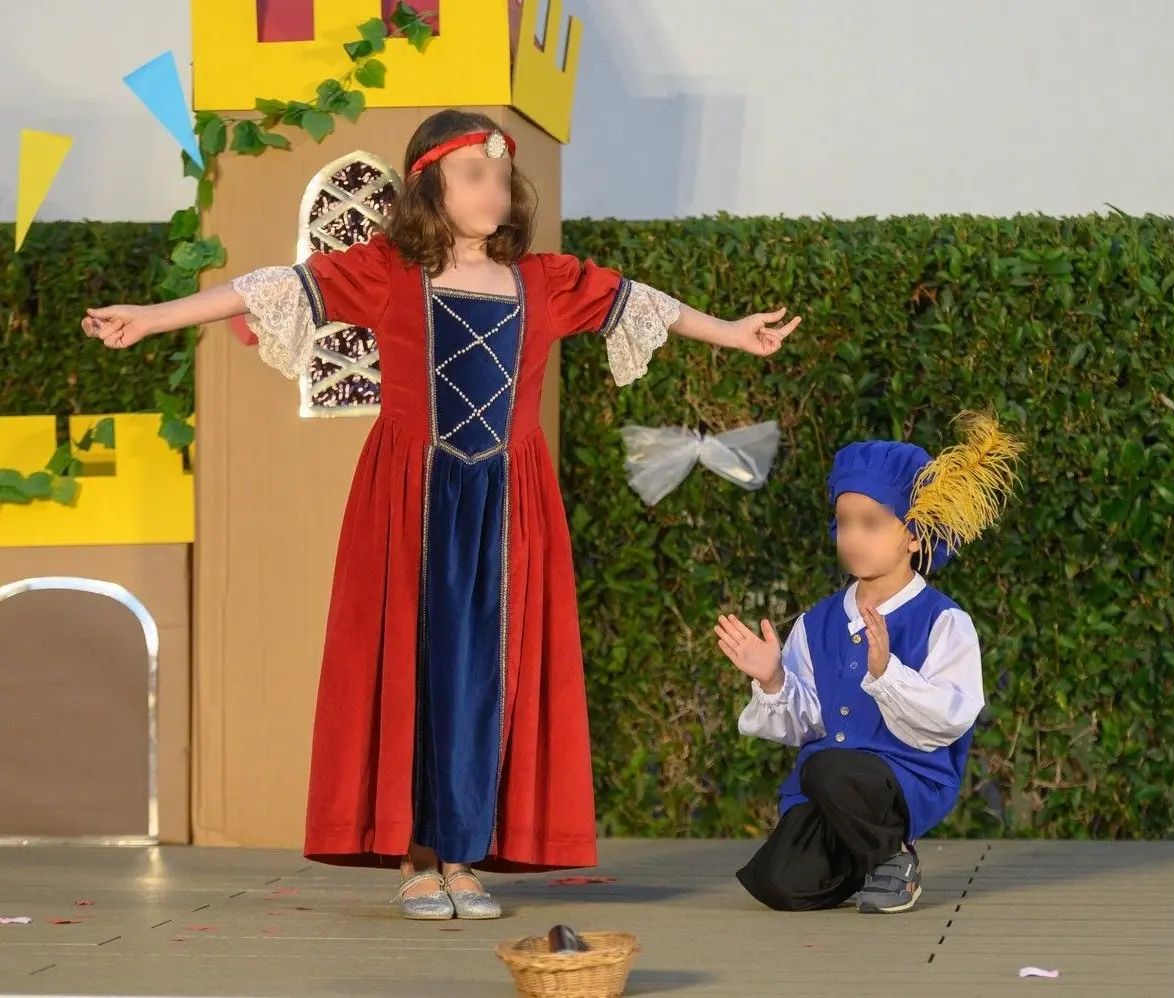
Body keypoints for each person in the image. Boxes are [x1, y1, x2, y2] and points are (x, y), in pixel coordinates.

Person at [83, 109, 801, 920]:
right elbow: (269, 287)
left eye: (502, 177)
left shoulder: (544, 282)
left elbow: (641, 303)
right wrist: (151, 315)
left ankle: (464, 856)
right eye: (474, 175)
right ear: (431, 186)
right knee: (414, 667)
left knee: (484, 676)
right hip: (411, 500)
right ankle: (416, 859)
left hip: (509, 508)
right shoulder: (387, 274)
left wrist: (732, 332)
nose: (494, 190)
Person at [715, 412, 1020, 912]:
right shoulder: (817, 623)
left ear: (915, 534)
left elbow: (952, 718)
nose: (853, 536)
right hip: (828, 784)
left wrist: (887, 674)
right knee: (778, 882)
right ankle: (868, 861)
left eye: (872, 523)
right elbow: (807, 722)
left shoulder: (943, 621)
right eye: (845, 522)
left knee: (828, 768)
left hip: (904, 781)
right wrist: (772, 679)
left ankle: (894, 856)